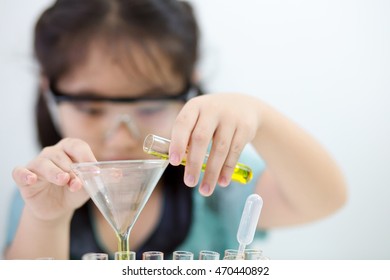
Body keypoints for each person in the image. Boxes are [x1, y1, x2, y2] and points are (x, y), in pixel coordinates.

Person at [4, 0, 347, 260]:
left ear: (189, 90)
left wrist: (261, 118)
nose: (121, 135)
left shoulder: (215, 186)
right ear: (50, 93)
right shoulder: (41, 194)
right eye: (91, 108)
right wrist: (46, 220)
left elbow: (323, 199)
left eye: (150, 105)